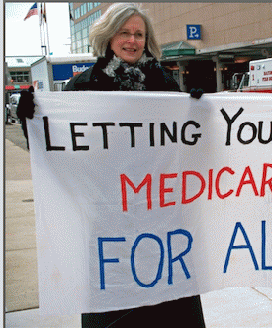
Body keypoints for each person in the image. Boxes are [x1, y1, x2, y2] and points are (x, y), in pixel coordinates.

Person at [17, 3, 206, 327]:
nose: (132, 41)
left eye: (139, 34)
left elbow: (189, 148)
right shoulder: (84, 86)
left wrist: (201, 112)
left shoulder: (164, 85)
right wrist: (31, 120)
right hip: (108, 222)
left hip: (161, 220)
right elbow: (60, 149)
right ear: (109, 36)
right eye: (125, 33)